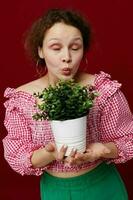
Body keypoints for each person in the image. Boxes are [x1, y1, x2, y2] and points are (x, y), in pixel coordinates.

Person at [3, 8, 133, 200]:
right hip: (56, 190)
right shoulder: (22, 100)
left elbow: (129, 138)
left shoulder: (102, 90)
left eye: (75, 47)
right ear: (40, 50)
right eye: (56, 48)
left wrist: (103, 150)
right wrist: (49, 154)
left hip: (102, 186)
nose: (67, 57)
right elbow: (16, 153)